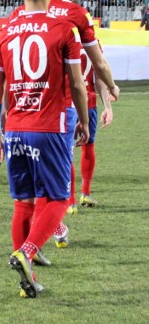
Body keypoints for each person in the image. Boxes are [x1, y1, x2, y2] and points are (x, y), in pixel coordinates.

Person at [0, 0, 90, 298]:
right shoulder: (63, 30)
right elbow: (76, 83)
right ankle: (27, 252)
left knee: (23, 201)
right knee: (60, 197)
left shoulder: (3, 31)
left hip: (15, 127)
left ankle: (26, 269)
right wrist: (84, 121)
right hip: (51, 125)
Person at [66, 44, 114, 214]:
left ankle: (71, 201)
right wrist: (107, 106)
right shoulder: (93, 43)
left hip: (69, 103)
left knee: (67, 151)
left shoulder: (63, 36)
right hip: (89, 103)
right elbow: (99, 78)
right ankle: (83, 194)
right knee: (88, 146)